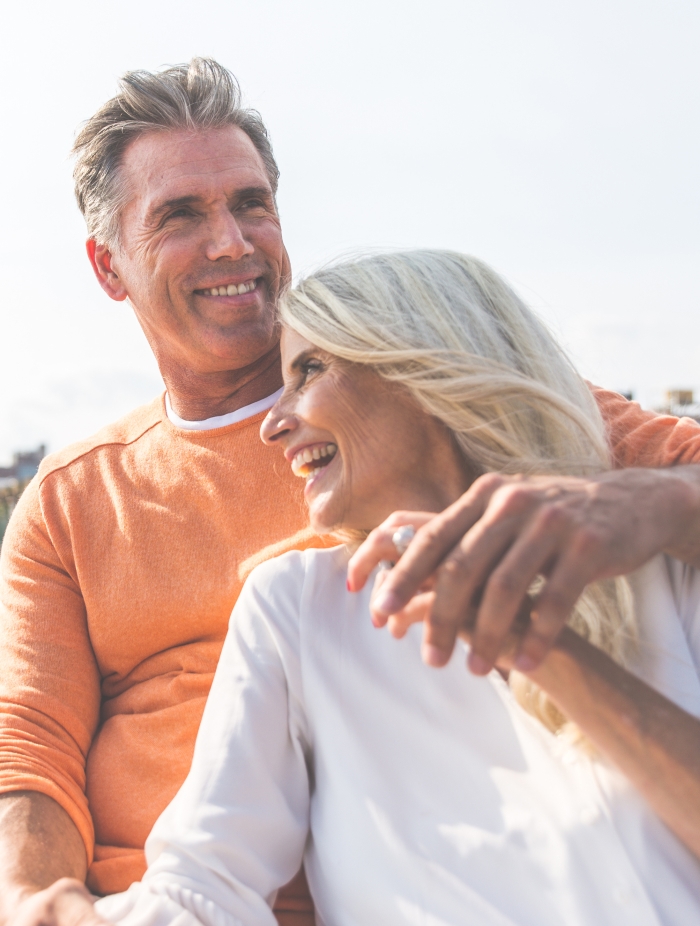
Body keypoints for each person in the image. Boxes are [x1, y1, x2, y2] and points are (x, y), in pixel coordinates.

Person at [2, 57, 700, 926]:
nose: (232, 242)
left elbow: (627, 463)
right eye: (182, 214)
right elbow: (31, 745)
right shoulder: (77, 504)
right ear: (109, 267)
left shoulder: (442, 396)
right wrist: (34, 900)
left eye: (252, 203)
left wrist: (660, 503)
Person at [94, 250, 700, 926]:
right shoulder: (297, 610)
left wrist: (546, 651)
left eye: (310, 371)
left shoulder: (659, 562)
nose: (273, 421)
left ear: (425, 367)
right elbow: (202, 888)